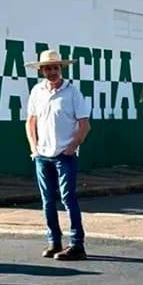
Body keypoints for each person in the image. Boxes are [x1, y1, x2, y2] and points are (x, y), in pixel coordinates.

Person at [26, 49, 91, 261]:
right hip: (42, 156)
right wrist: (34, 148)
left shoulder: (73, 92)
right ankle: (54, 241)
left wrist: (72, 146)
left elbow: (84, 124)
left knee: (68, 198)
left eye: (55, 68)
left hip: (65, 155)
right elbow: (31, 121)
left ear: (60, 69)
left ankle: (76, 244)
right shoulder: (37, 91)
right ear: (42, 70)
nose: (52, 72)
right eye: (48, 68)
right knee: (47, 200)